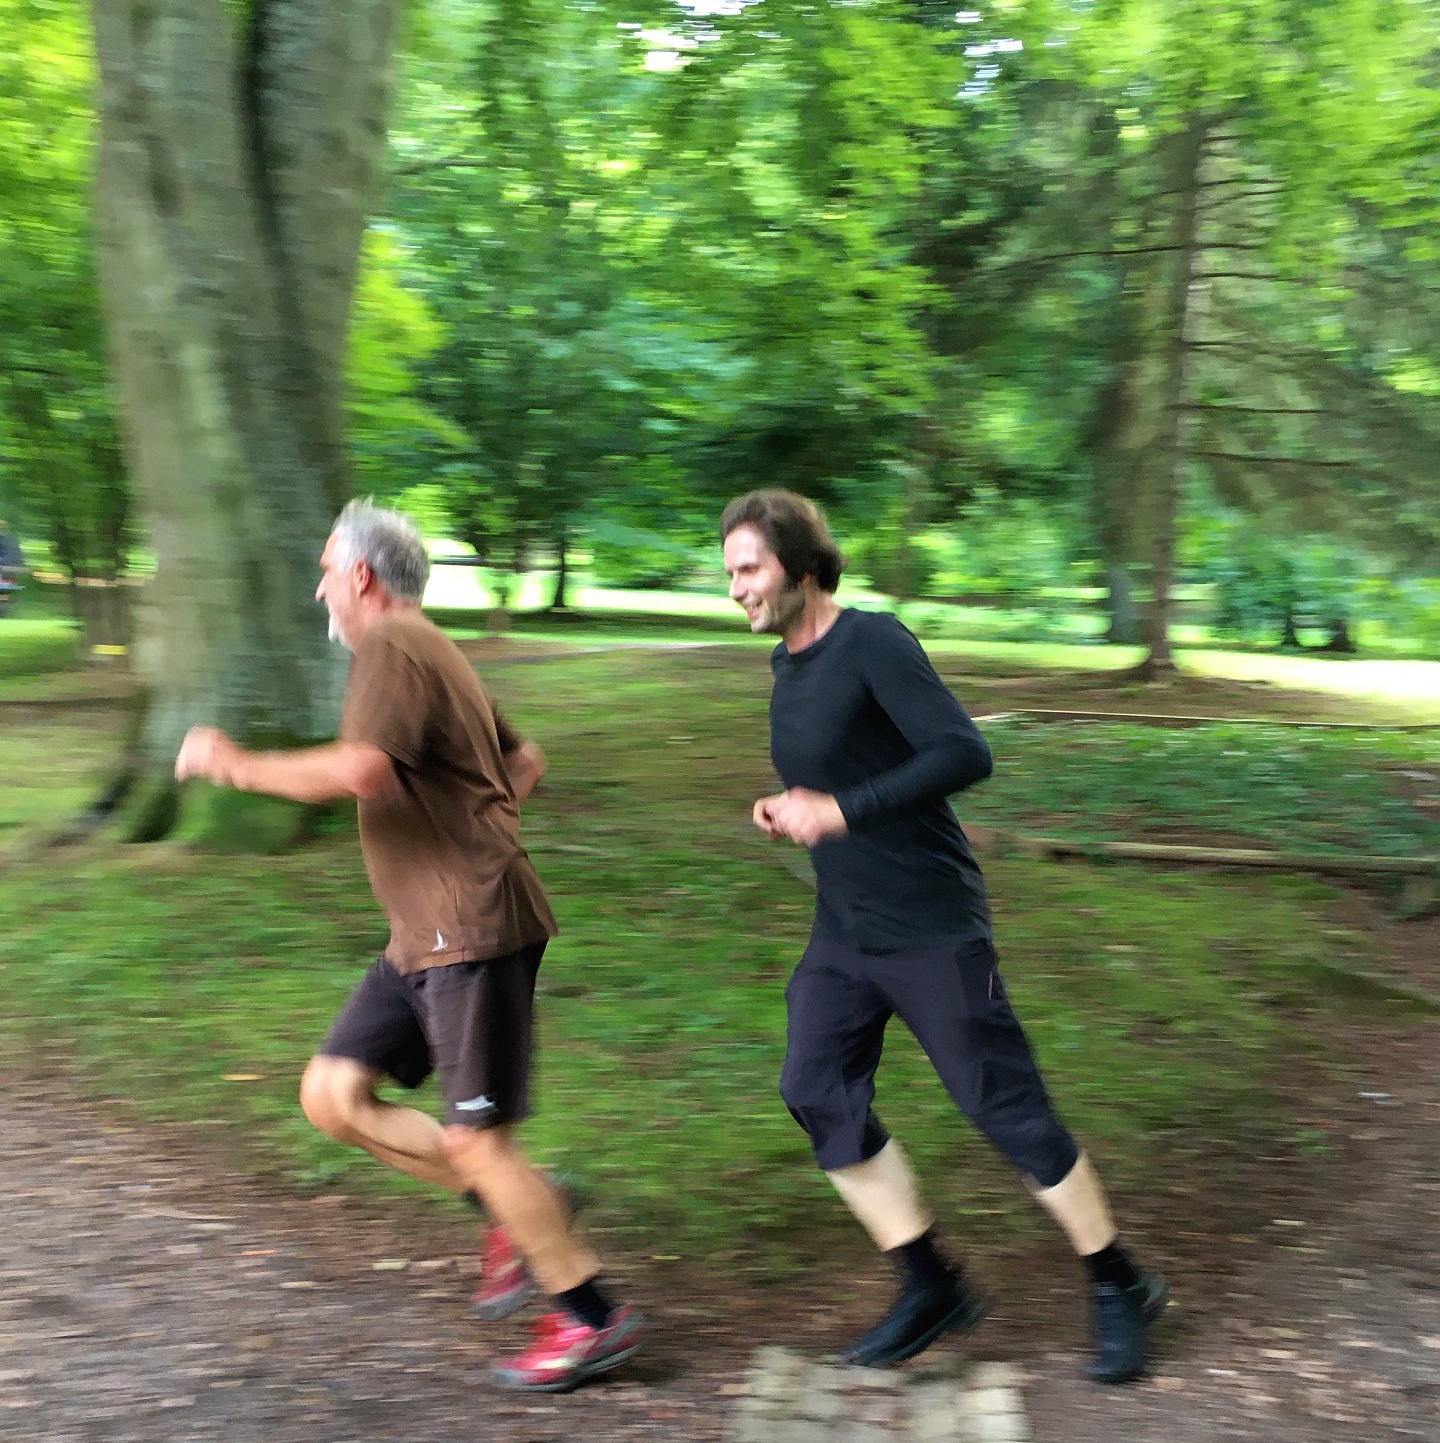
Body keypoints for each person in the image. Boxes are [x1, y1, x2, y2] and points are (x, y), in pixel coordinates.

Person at [174, 499, 639, 1393]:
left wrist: (236, 765)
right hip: (423, 934)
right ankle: (521, 1206)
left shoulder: (393, 644)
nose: (320, 592)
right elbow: (525, 761)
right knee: (332, 1095)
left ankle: (591, 1317)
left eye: (325, 574)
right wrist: (474, 830)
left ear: (361, 576)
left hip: (467, 931)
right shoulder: (432, 648)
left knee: (479, 1141)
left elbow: (362, 770)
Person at [722, 489, 1167, 1384]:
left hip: (929, 925)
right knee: (816, 1088)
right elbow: (839, 776)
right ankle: (931, 1284)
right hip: (846, 929)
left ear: (801, 566)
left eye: (750, 569)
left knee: (1003, 1105)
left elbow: (964, 752)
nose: (736, 588)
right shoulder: (787, 662)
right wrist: (794, 807)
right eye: (730, 572)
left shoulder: (874, 642)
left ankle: (1120, 1282)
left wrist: (841, 810)